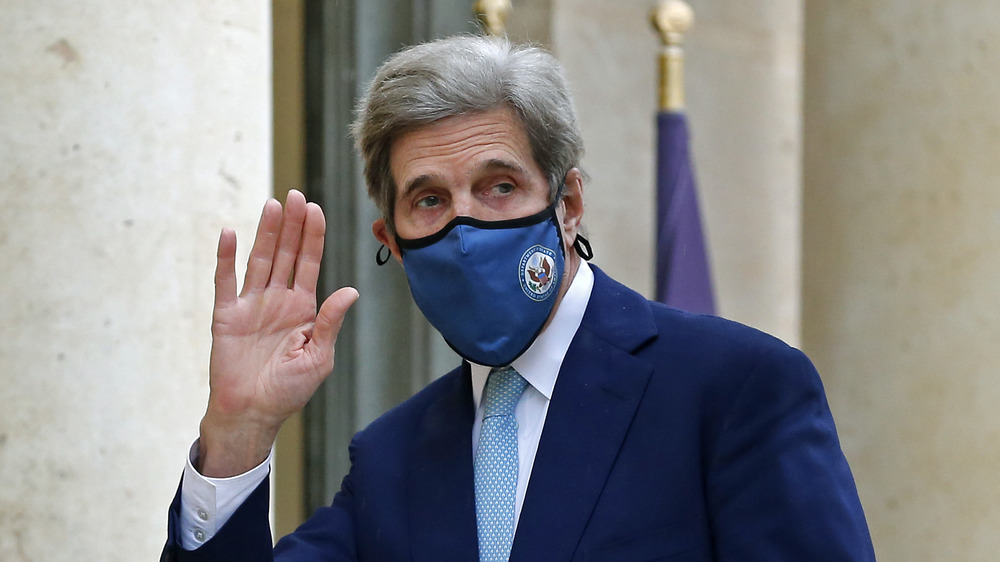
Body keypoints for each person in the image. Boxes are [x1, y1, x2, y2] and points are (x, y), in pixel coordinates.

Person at [162, 35, 875, 561]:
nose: (466, 227)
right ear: (393, 238)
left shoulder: (732, 389)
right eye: (430, 199)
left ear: (567, 202)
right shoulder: (393, 459)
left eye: (499, 186)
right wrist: (239, 432)